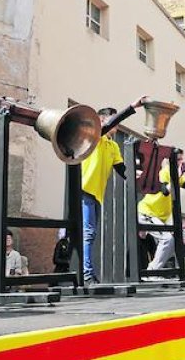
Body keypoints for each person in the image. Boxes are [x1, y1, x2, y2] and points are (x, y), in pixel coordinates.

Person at [80, 97, 141, 285]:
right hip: (83, 189)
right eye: (114, 122)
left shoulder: (113, 145)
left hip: (96, 194)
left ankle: (86, 271)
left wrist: (135, 174)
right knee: (88, 233)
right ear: (101, 121)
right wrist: (132, 107)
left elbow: (121, 169)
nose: (116, 126)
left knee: (91, 233)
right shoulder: (94, 135)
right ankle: (87, 274)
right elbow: (108, 126)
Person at [138, 152, 185, 275]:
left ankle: (153, 271)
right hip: (147, 212)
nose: (181, 162)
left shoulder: (178, 176)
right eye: (178, 160)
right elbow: (165, 191)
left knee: (174, 241)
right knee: (167, 240)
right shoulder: (163, 172)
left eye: (182, 159)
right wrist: (179, 173)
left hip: (160, 216)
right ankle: (152, 272)